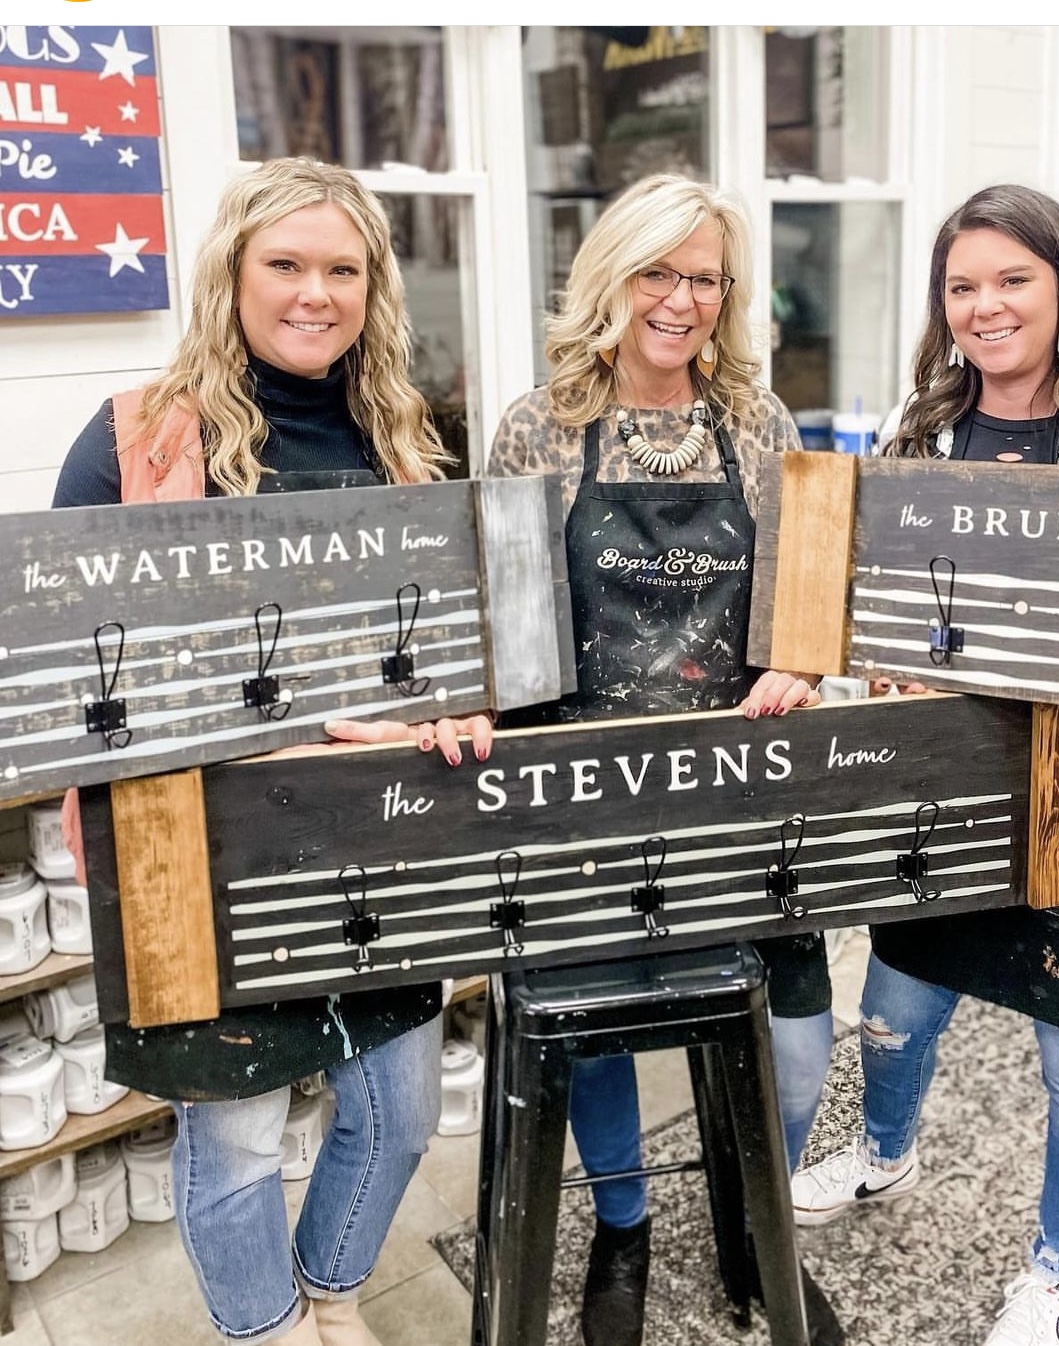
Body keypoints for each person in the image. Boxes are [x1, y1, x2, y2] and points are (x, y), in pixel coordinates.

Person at [337, 172, 842, 1346]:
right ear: (611, 278)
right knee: (600, 1029)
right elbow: (507, 618)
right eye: (656, 271)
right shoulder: (540, 422)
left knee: (798, 1039)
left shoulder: (761, 421)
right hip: (588, 787)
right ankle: (624, 1224)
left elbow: (804, 601)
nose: (681, 299)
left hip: (741, 784)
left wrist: (802, 662)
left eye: (704, 277)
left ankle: (758, 1217)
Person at [789, 184, 1059, 1346]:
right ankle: (884, 1152)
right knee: (895, 1009)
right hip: (955, 776)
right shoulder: (918, 434)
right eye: (962, 286)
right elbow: (874, 608)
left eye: (1013, 280)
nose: (986, 307)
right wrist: (875, 672)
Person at [53, 157, 452, 1346]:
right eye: (286, 263)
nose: (315, 292)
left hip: (379, 842)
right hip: (200, 853)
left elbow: (443, 645)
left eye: (343, 267)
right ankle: (266, 1327)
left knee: (404, 1105)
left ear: (373, 285)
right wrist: (287, 719)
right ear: (232, 271)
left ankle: (332, 1292)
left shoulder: (409, 441)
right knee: (233, 1128)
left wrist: (454, 706)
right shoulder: (133, 437)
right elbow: (75, 672)